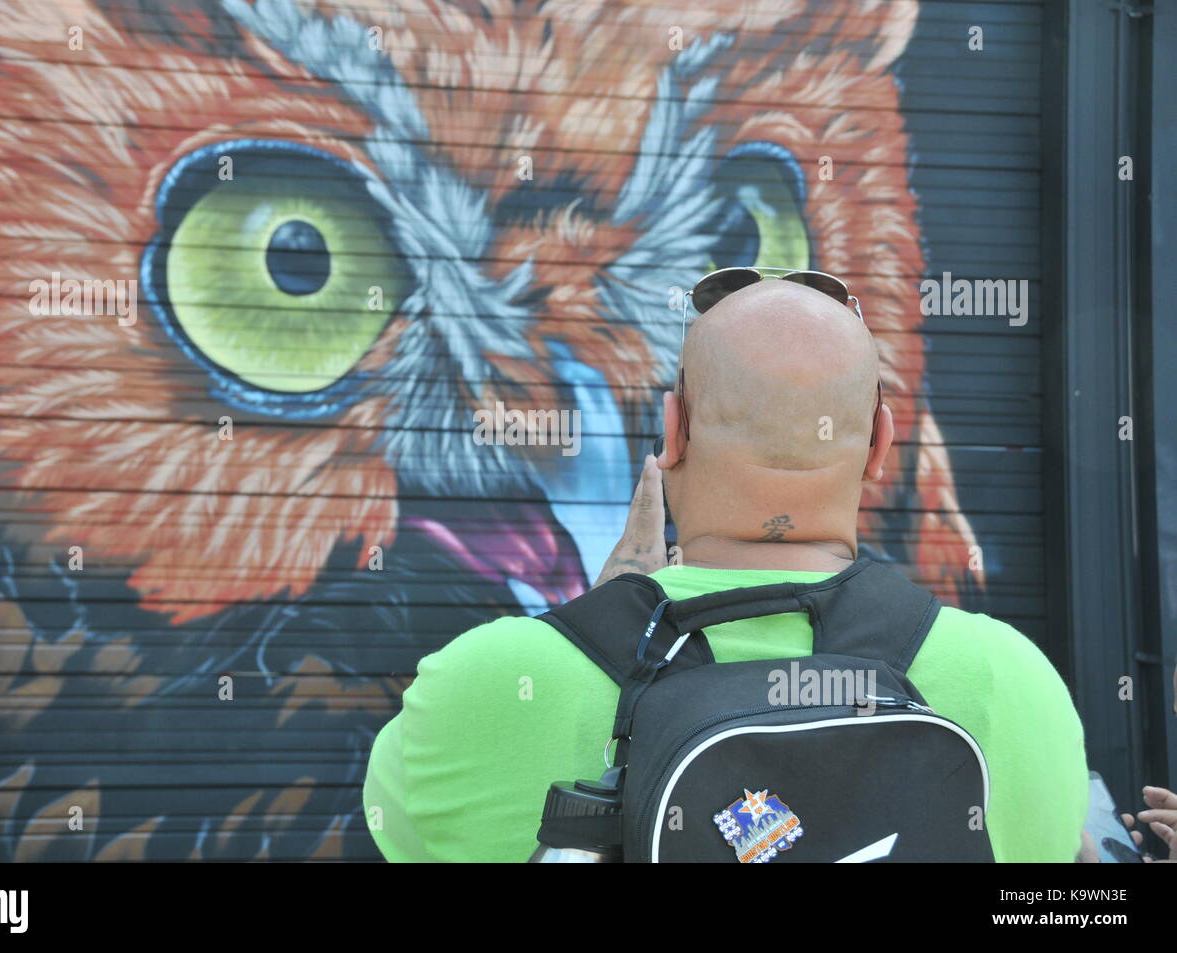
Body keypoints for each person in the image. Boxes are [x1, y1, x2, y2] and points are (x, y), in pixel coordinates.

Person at [362, 278, 1089, 861]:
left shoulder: (480, 687)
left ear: (672, 429)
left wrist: (604, 620)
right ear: (880, 446)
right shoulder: (1017, 685)